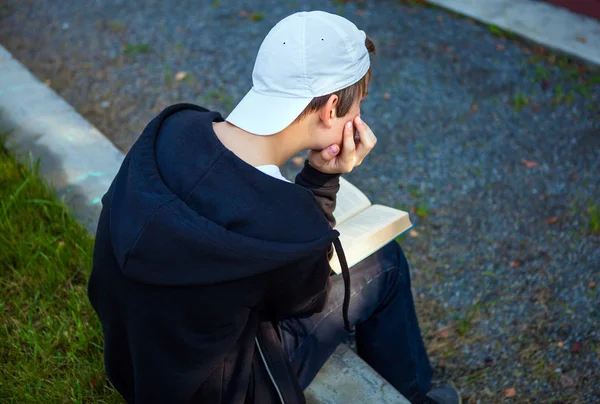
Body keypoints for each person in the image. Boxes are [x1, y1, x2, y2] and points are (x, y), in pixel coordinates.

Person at [88, 10, 460, 404]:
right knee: (386, 264)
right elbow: (306, 298)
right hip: (227, 391)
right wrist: (321, 180)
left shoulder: (174, 126)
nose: (359, 117)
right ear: (331, 107)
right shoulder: (283, 220)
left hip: (135, 362)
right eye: (358, 105)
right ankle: (416, 398)